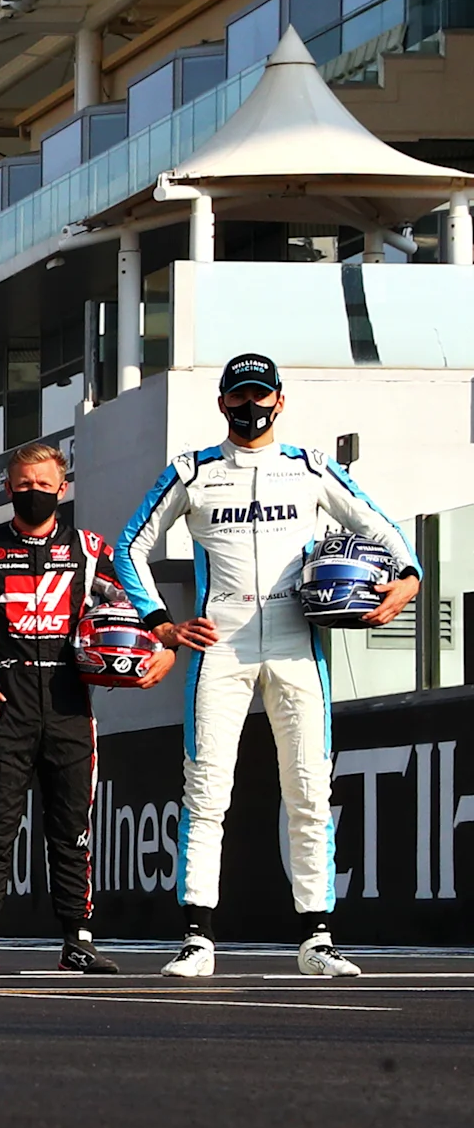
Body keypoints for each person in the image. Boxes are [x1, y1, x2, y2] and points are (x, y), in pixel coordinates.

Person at [116, 353, 419, 978]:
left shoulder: (309, 469)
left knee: (309, 788)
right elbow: (129, 547)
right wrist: (159, 624)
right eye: (238, 397)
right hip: (218, 646)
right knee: (205, 793)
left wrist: (409, 581)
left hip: (295, 639)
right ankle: (197, 937)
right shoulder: (192, 472)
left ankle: (318, 937)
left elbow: (380, 525)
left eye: (260, 396)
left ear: (279, 400)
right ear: (221, 403)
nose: (249, 407)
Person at [0, 444, 122, 977]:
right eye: (23, 484)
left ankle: (77, 938)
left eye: (44, 483)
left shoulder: (88, 548)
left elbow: (133, 606)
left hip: (71, 711)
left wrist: (148, 650)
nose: (34, 492)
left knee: (73, 830)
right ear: (7, 489)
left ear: (64, 487)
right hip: (4, 712)